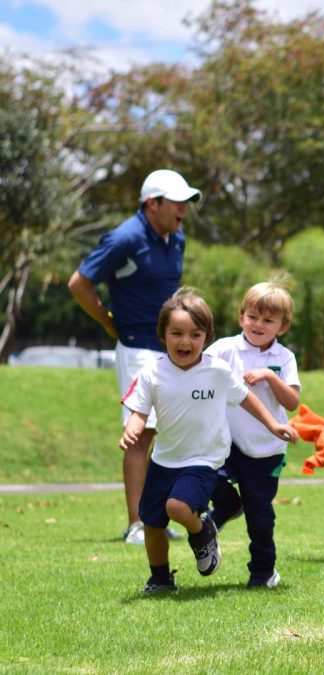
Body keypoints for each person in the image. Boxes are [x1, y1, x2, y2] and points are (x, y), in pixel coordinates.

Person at [119, 290, 297, 593]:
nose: (185, 342)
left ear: (206, 336)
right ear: (163, 334)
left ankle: (202, 534)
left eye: (195, 334)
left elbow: (245, 398)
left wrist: (273, 424)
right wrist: (132, 428)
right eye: (176, 333)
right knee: (152, 522)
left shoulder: (216, 369)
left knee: (178, 507)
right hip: (164, 459)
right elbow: (139, 411)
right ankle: (160, 578)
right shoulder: (152, 372)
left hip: (203, 459)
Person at [69, 169, 202, 545]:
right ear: (152, 204)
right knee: (140, 434)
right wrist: (107, 323)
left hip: (170, 351)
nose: (183, 210)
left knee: (167, 432)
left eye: (186, 202)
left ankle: (155, 517)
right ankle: (137, 525)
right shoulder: (125, 237)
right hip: (137, 349)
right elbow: (79, 283)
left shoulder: (176, 238)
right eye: (176, 202)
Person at [204, 281, 301, 588]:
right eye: (253, 316)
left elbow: (292, 402)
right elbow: (198, 373)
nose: (259, 324)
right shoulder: (223, 349)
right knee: (208, 481)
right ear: (241, 316)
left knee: (259, 515)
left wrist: (270, 376)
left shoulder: (284, 358)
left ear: (282, 327)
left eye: (268, 320)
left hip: (265, 449)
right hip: (224, 441)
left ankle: (263, 572)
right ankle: (226, 509)